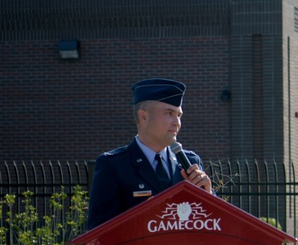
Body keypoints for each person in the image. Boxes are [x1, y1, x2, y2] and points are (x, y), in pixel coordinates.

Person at [87, 78, 212, 229]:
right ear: (143, 116)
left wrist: (208, 195)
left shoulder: (190, 162)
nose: (177, 122)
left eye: (179, 115)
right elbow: (98, 231)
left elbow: (212, 223)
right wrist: (141, 219)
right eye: (169, 113)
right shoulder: (114, 165)